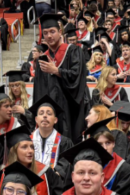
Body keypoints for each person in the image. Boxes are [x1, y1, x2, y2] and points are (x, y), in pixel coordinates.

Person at [34, 14, 91, 143]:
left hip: (71, 111)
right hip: (51, 113)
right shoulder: (42, 60)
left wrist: (56, 71)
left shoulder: (74, 51)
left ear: (60, 32)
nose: (49, 36)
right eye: (45, 33)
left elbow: (77, 77)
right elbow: (39, 91)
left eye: (52, 32)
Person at [0, 124, 63, 195]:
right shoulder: (2, 173)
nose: (30, 151)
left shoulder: (45, 172)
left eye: (32, 147)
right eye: (24, 147)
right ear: (13, 151)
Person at [28, 96, 73, 170]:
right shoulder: (28, 141)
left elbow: (66, 164)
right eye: (41, 113)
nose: (45, 116)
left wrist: (56, 174)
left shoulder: (65, 142)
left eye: (49, 114)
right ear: (36, 119)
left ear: (55, 120)